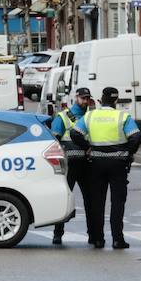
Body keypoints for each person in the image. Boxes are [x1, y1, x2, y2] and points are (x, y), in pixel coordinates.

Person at [69, 85, 141, 249]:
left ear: (101, 100)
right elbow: (136, 137)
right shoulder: (122, 116)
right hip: (118, 164)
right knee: (117, 203)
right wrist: (127, 153)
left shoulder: (91, 116)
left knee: (97, 203)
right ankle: (117, 239)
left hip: (96, 164)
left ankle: (98, 239)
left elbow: (74, 133)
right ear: (116, 100)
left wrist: (88, 147)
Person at [49, 87, 94, 244]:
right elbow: (54, 141)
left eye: (87, 98)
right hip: (69, 165)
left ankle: (93, 234)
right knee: (64, 199)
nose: (85, 101)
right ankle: (57, 233)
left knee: (91, 200)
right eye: (83, 98)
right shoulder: (62, 117)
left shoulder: (91, 116)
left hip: (87, 164)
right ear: (76, 98)